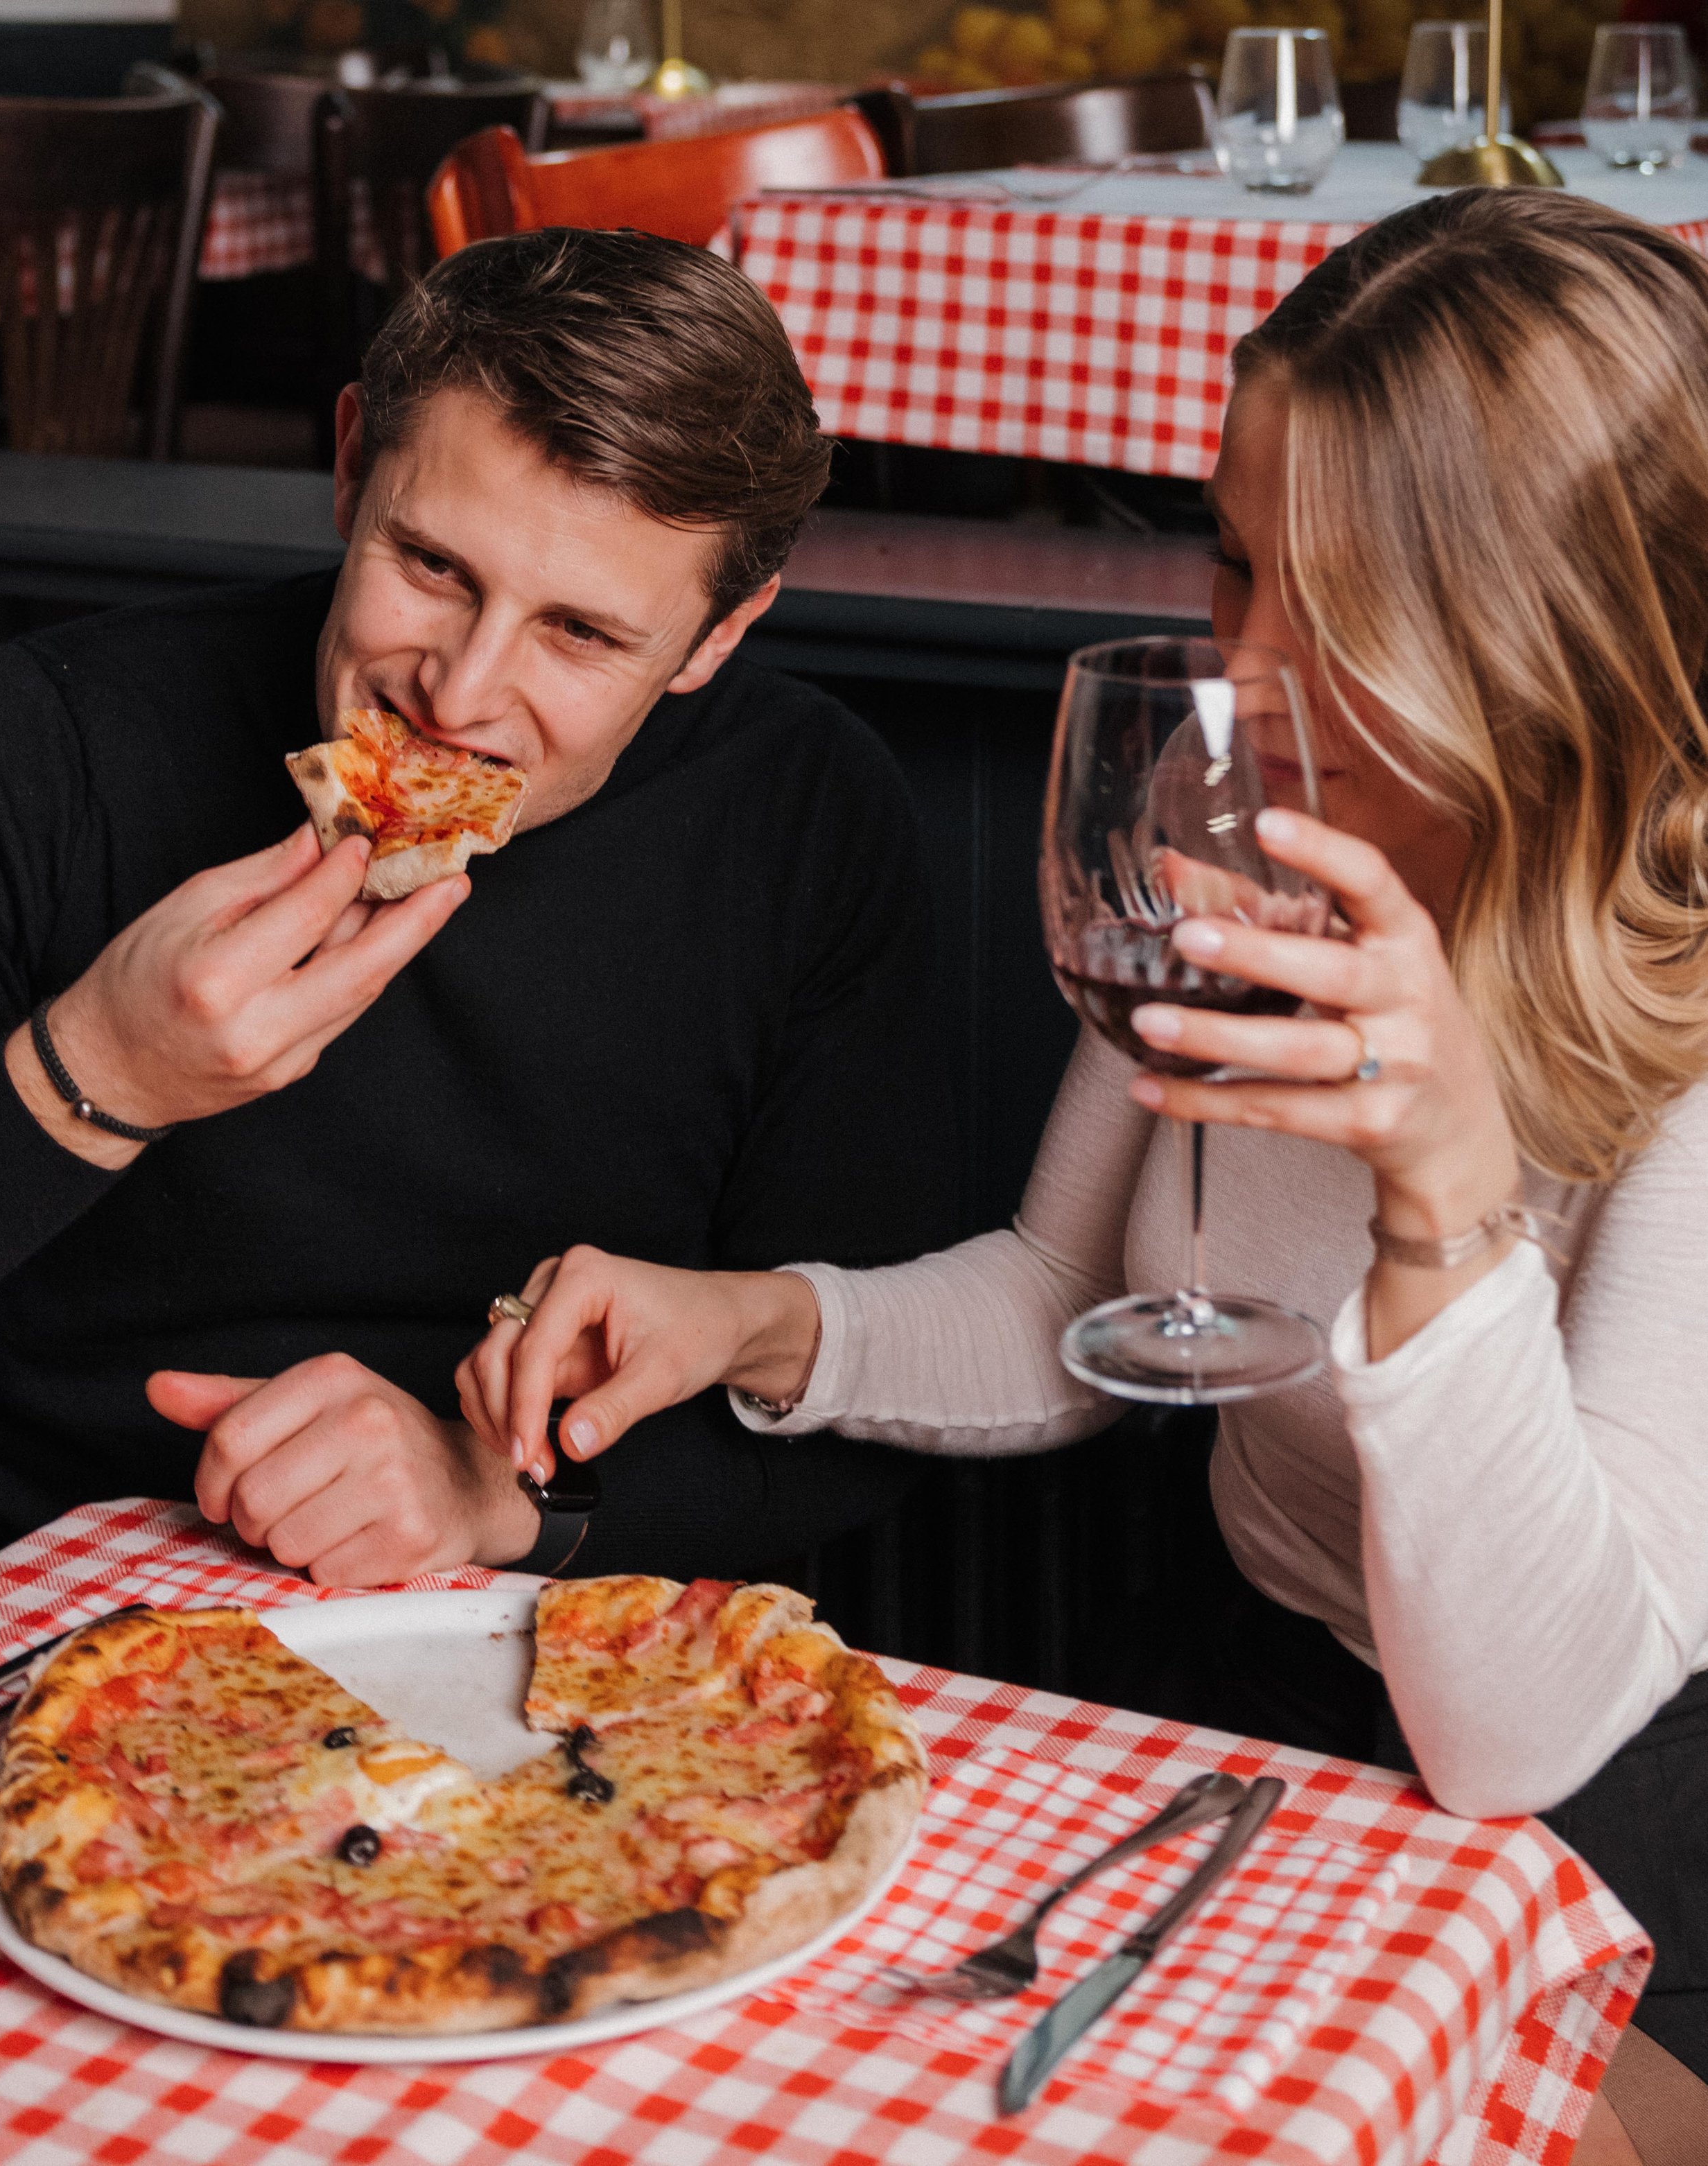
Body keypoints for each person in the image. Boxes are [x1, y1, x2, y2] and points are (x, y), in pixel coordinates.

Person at [457, 189, 1708, 2121]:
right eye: (1228, 561)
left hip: (1619, 1814)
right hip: (1242, 1699)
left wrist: (1440, 1198)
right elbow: (1068, 1306)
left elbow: (1521, 1730)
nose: (1245, 671)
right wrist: (740, 1322)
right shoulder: (1251, 839)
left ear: (1539, 634)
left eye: (1345, 606)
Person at [0, 226, 957, 1585]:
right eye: (433, 566)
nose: (459, 692)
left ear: (718, 637)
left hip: (559, 1630)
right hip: (55, 1588)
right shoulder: (44, 743)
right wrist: (96, 1073)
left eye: (582, 633)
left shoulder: (801, 812)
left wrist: (489, 1498)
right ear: (345, 465)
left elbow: (868, 1402)